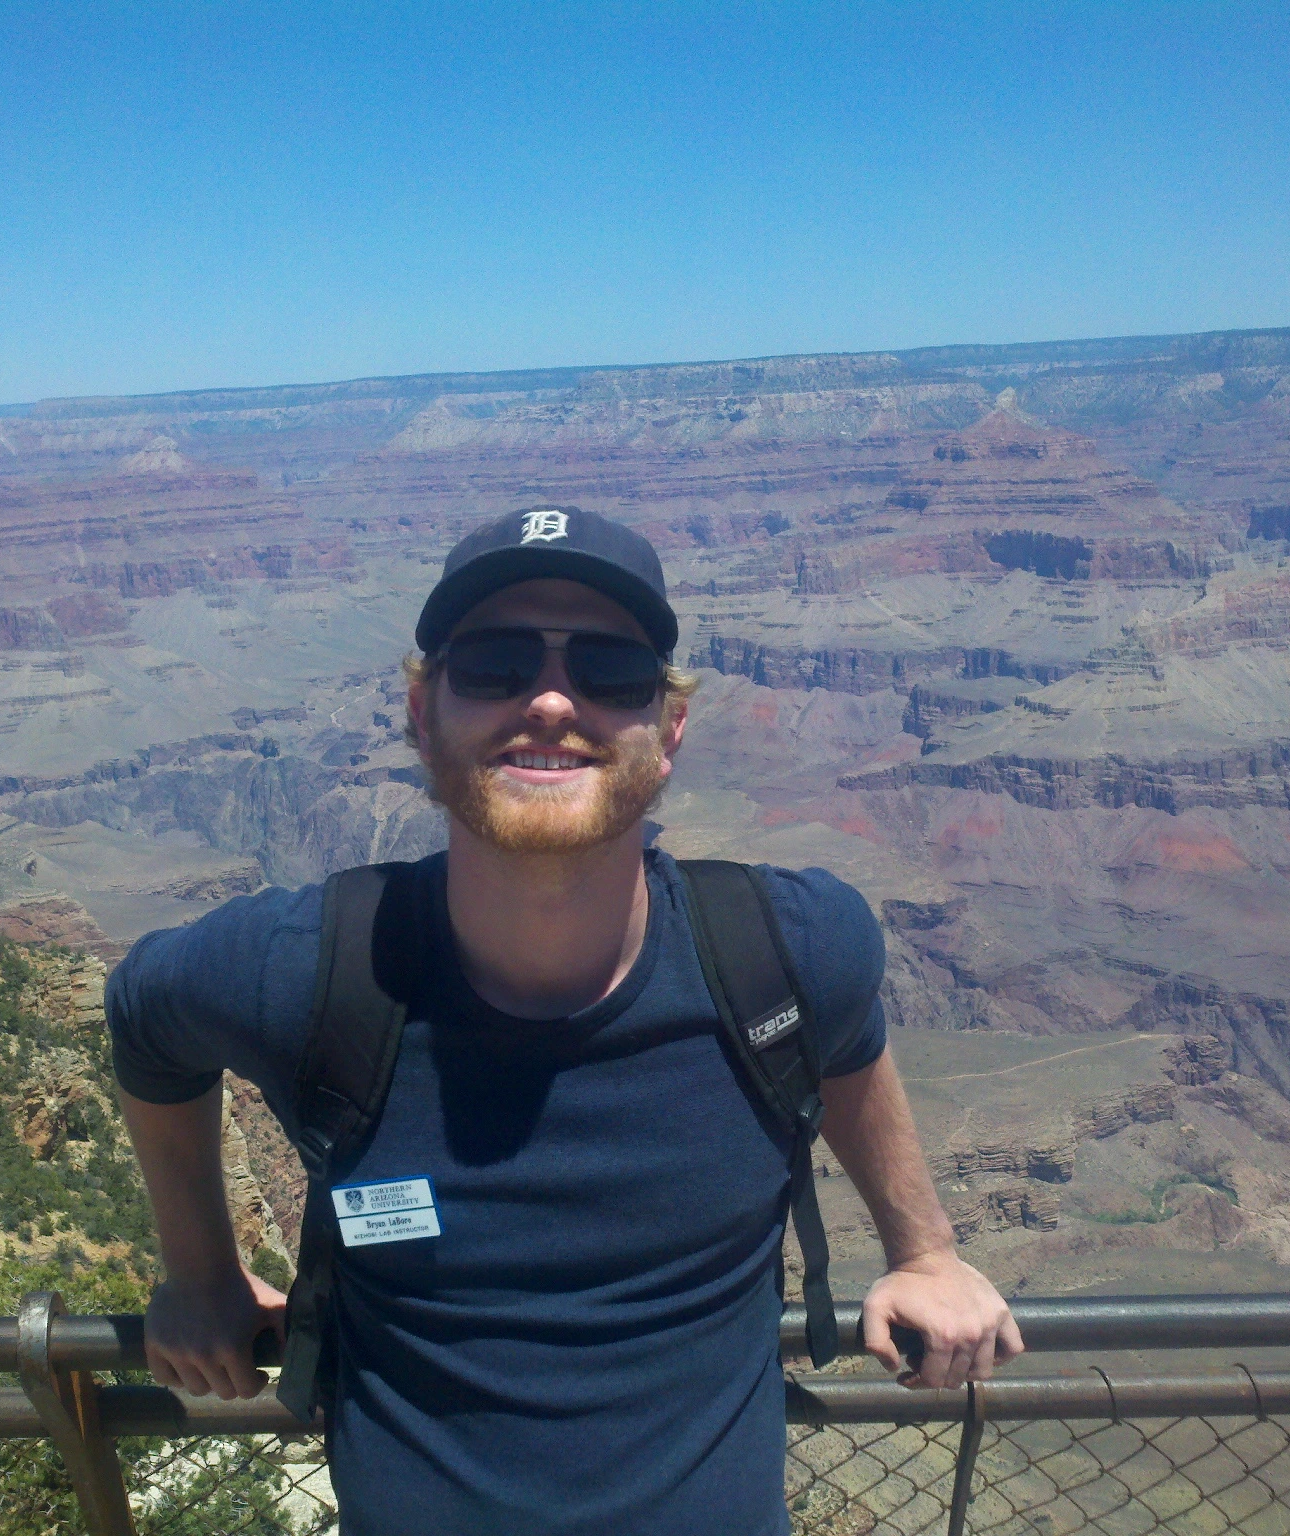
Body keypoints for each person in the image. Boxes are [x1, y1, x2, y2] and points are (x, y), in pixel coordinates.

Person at [106, 506, 1022, 1536]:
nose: (549, 700)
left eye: (610, 671)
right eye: (492, 664)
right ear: (420, 709)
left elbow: (846, 1043)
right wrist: (197, 1275)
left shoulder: (787, 951)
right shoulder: (307, 972)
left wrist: (924, 1249)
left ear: (667, 728)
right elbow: (143, 1017)